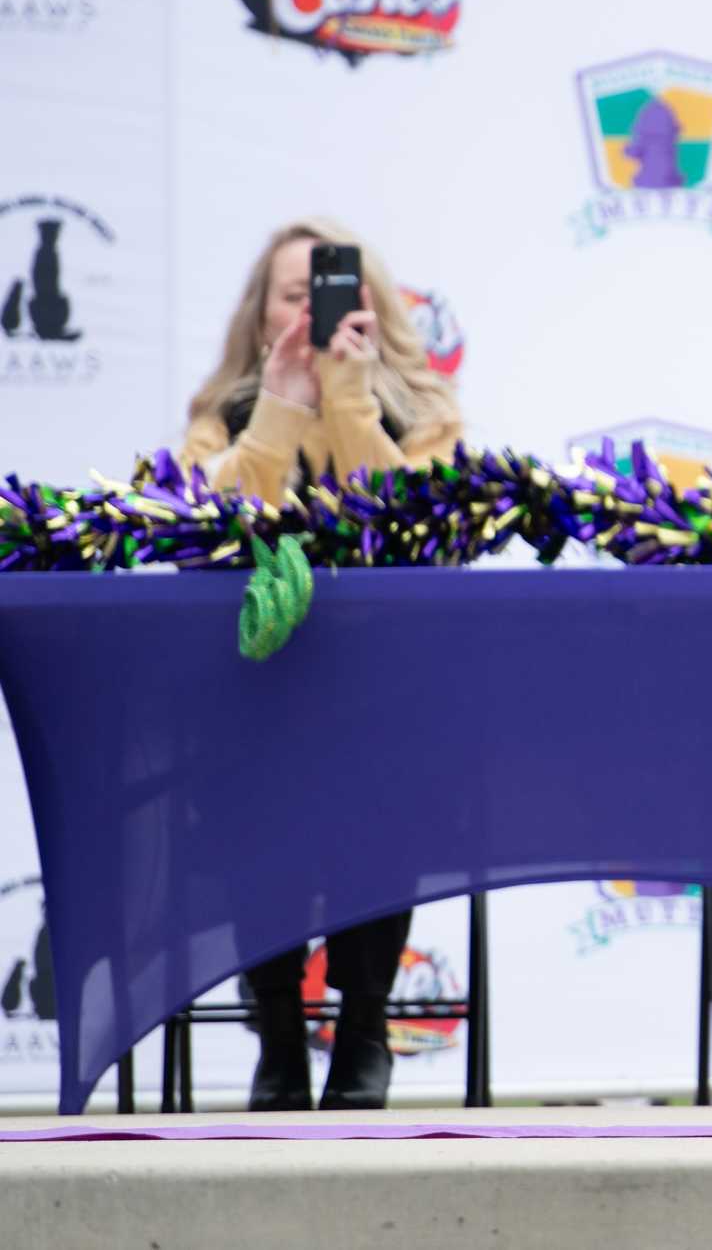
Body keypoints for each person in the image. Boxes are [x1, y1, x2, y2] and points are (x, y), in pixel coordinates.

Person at [179, 216, 464, 1110]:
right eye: (293, 295)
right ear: (261, 315)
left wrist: (346, 398)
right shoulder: (219, 413)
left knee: (384, 802)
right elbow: (201, 526)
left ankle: (367, 1024)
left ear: (372, 305)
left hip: (384, 704)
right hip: (255, 697)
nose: (312, 308)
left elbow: (410, 528)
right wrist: (279, 409)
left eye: (331, 290)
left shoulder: (429, 412)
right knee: (247, 810)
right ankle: (274, 1029)